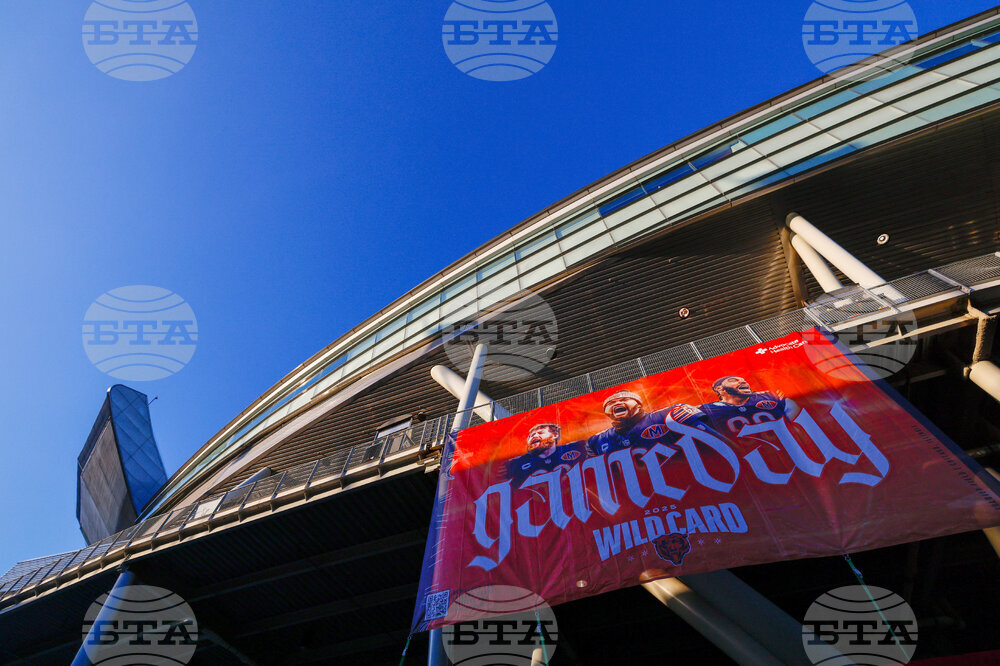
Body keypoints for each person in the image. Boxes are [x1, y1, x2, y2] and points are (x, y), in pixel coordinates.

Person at [586, 390, 720, 456]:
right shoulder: (597, 441)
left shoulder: (669, 415)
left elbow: (716, 442)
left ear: (638, 405)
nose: (618, 403)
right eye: (611, 403)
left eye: (625, 399)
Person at [697, 376, 799, 439]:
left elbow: (794, 409)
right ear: (719, 388)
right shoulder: (706, 410)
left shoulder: (770, 396)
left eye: (744, 380)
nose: (743, 382)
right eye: (734, 380)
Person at [506, 422, 586, 487]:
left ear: (555, 435)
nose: (535, 436)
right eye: (531, 436)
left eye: (541, 433)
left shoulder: (576, 448)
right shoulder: (516, 464)